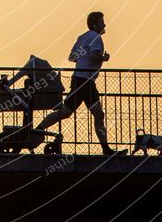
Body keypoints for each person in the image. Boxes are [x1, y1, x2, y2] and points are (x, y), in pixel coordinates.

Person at [36, 11, 127, 156]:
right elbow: (96, 54)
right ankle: (37, 130)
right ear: (95, 25)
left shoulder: (82, 37)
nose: (104, 24)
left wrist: (84, 57)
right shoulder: (96, 38)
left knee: (84, 113)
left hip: (81, 80)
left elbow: (72, 57)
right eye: (102, 22)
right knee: (86, 114)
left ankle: (38, 129)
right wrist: (105, 58)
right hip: (85, 81)